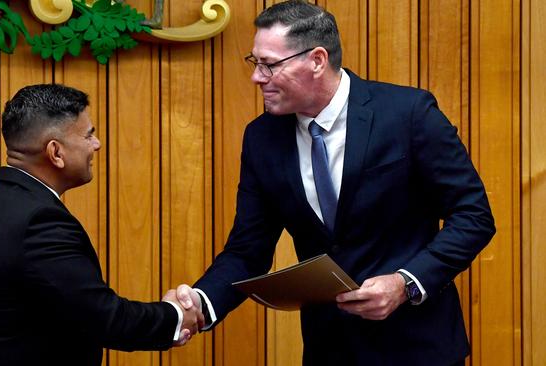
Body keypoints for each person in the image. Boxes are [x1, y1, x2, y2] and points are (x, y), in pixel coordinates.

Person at [177, 1, 496, 365]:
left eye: (269, 64)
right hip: (329, 350)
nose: (257, 77)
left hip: (418, 348)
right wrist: (200, 303)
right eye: (255, 63)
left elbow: (473, 216)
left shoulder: (408, 114)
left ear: (316, 60)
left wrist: (406, 283)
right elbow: (247, 250)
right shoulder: (261, 138)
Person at [0, 84, 203, 366]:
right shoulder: (39, 223)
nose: (96, 144)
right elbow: (105, 318)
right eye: (88, 135)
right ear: (55, 152)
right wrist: (176, 315)